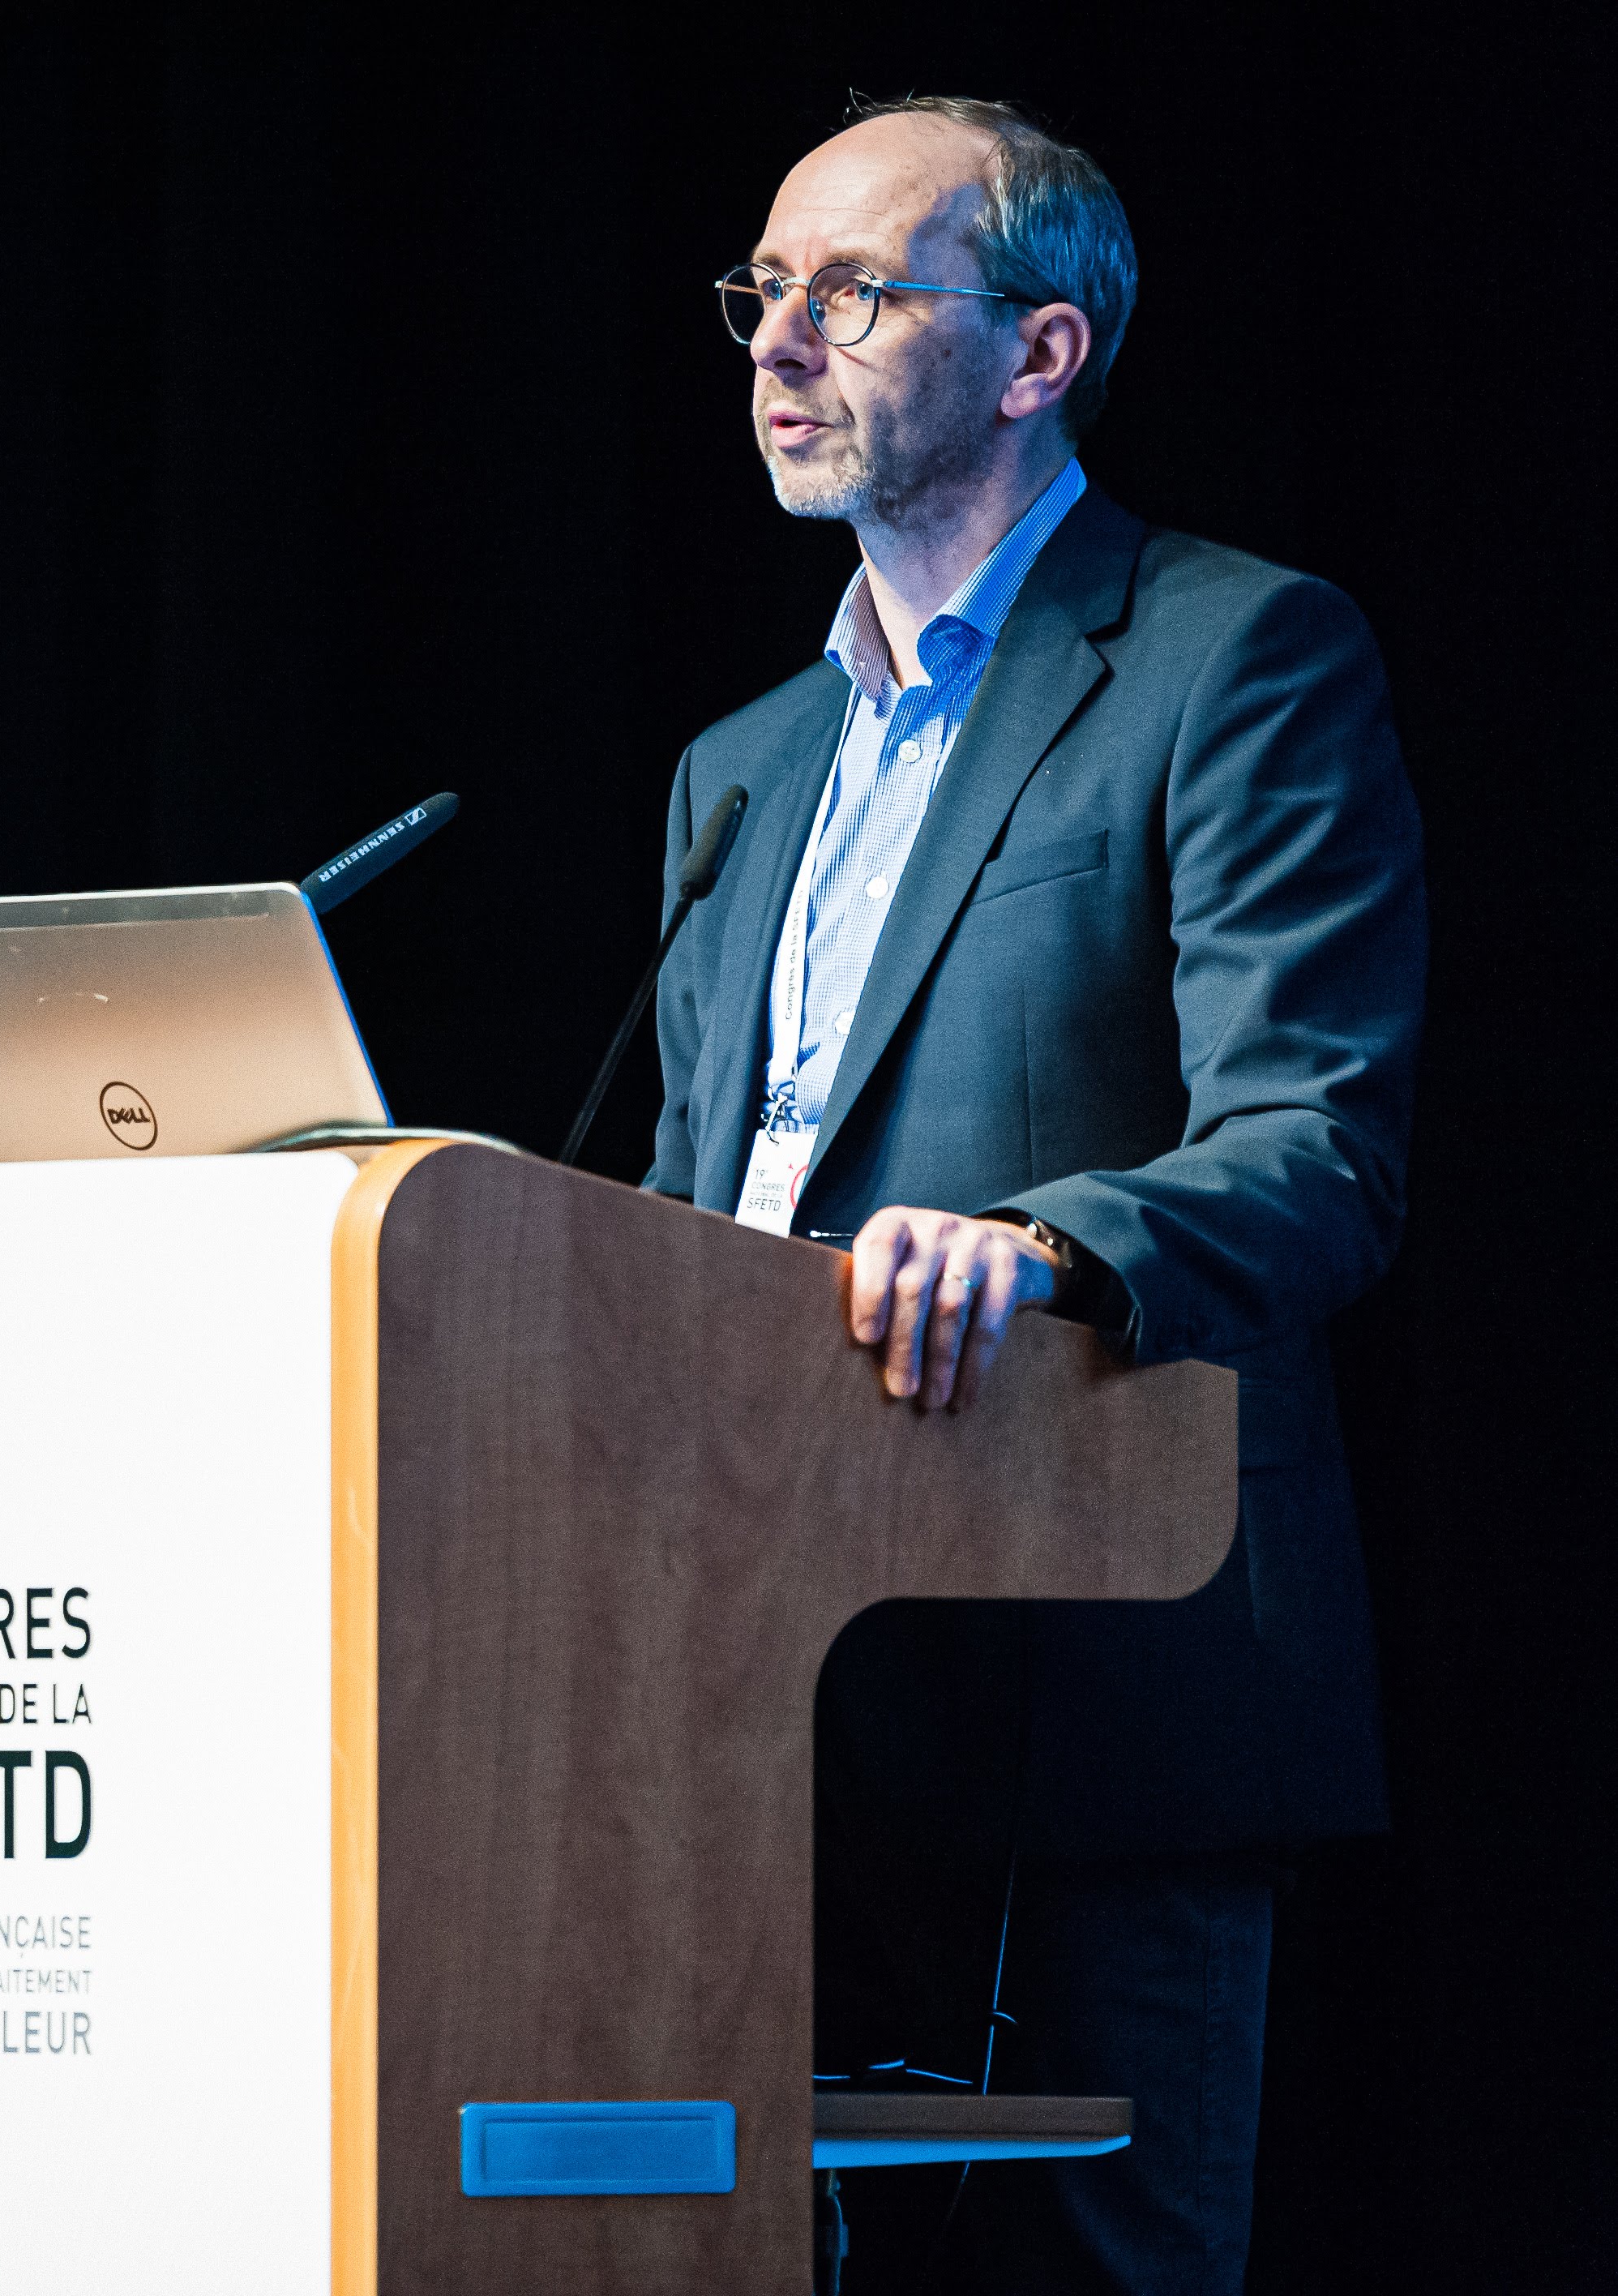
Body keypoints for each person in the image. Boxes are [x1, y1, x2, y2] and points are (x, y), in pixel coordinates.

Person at [647, 97, 1427, 2290]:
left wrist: (1044, 1240)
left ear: (1037, 353)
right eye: (756, 294)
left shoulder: (1229, 660)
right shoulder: (742, 768)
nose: (775, 344)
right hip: (750, 1712)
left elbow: (1315, 1146)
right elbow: (689, 1207)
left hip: (1094, 1670)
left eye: (849, 291)